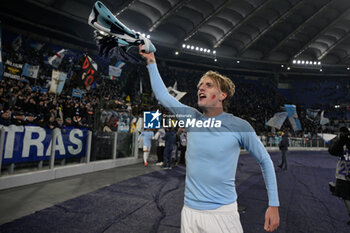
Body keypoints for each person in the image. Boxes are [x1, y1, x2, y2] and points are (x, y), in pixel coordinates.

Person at [140, 46, 279, 232]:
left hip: (222, 215)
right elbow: (163, 95)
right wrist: (150, 60)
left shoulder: (239, 126)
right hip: (189, 212)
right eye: (200, 86)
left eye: (208, 85)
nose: (201, 88)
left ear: (222, 95)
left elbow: (265, 161)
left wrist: (274, 204)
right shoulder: (191, 118)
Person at [328, 127, 350, 224]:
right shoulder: (343, 142)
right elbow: (332, 151)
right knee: (345, 196)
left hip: (345, 173)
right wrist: (342, 140)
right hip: (343, 173)